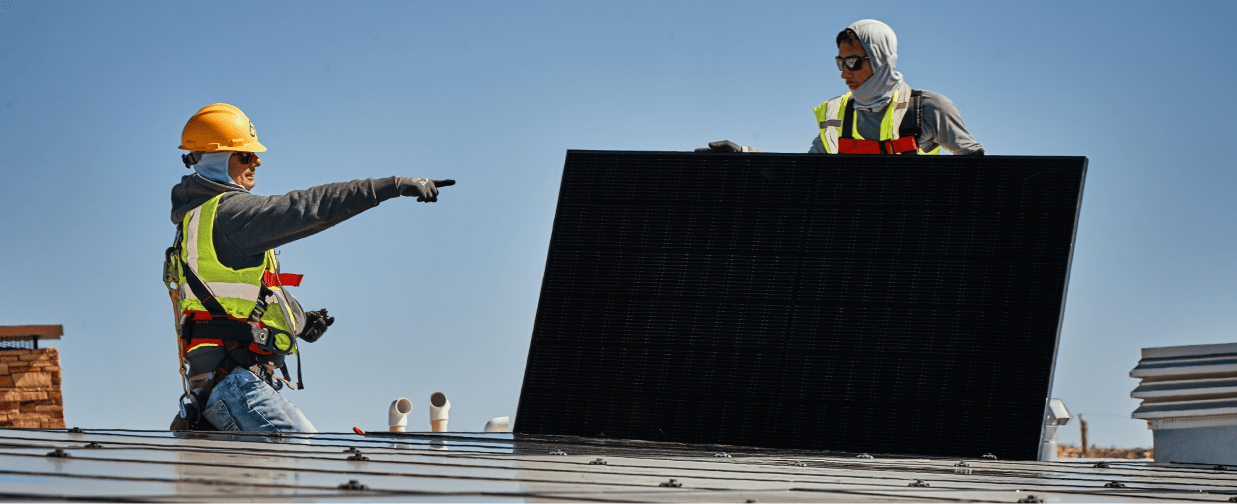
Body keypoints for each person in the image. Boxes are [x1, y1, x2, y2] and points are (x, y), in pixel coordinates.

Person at [166, 103, 454, 433]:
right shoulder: (230, 215)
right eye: (246, 155)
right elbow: (310, 207)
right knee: (301, 451)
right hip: (233, 385)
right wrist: (392, 185)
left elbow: (250, 293)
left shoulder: (200, 219)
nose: (257, 161)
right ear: (217, 159)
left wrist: (301, 322)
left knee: (260, 481)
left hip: (220, 384)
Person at [698, 19, 983, 156]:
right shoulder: (836, 113)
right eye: (841, 62)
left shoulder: (928, 109)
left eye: (854, 62)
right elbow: (802, 175)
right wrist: (744, 154)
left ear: (881, 60)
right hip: (849, 239)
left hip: (911, 239)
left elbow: (981, 173)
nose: (846, 73)